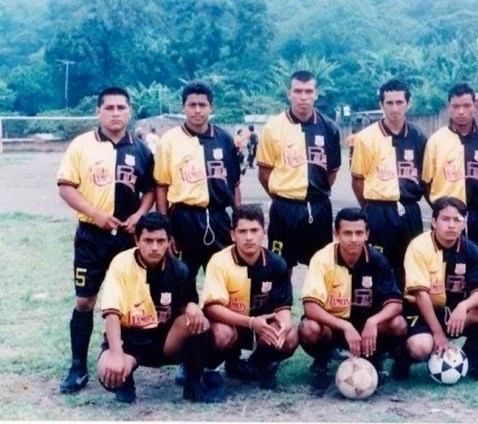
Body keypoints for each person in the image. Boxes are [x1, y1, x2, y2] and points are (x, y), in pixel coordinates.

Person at [56, 86, 155, 394]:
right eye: (109, 108)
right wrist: (96, 214)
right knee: (85, 301)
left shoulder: (140, 149)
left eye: (120, 108)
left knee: (127, 302)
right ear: (98, 111)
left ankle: (121, 363)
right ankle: (77, 367)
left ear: (129, 111)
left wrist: (138, 215)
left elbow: (150, 190)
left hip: (127, 239)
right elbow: (66, 187)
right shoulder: (81, 145)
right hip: (91, 236)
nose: (115, 113)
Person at [96, 212, 216, 403]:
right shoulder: (120, 264)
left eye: (160, 241)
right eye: (148, 240)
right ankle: (126, 383)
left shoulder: (179, 269)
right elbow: (111, 313)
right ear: (137, 240)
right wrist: (117, 355)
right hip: (130, 342)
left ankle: (193, 384)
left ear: (169, 242)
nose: (154, 247)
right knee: (108, 371)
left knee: (199, 323)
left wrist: (193, 307)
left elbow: (188, 303)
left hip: (164, 341)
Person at [298, 207, 406, 393]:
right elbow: (310, 307)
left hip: (366, 329)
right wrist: (345, 326)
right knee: (309, 328)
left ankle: (374, 359)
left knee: (398, 324)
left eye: (359, 233)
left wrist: (373, 321)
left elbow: (395, 303)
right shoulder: (322, 259)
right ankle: (322, 363)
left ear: (367, 234)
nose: (354, 239)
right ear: (336, 234)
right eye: (347, 233)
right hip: (334, 327)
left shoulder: (377, 260)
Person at [391, 196, 478, 381]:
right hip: (420, 310)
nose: (451, 225)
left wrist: (463, 307)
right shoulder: (419, 246)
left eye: (457, 220)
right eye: (445, 219)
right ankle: (402, 358)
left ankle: (470, 357)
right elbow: (420, 294)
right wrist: (438, 334)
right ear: (433, 222)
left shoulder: (471, 250)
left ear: (464, 224)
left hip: (453, 310)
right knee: (421, 346)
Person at [201, 204, 298, 395]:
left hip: (261, 324)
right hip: (231, 323)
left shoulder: (277, 263)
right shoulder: (219, 261)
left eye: (254, 230)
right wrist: (251, 322)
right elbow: (212, 308)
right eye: (242, 231)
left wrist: (285, 323)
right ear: (232, 235)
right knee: (222, 334)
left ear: (264, 232)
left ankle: (257, 364)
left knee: (290, 336)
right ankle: (210, 369)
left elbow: (282, 306)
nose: (249, 237)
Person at [154, 80, 240, 282]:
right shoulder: (169, 140)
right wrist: (166, 228)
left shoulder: (225, 139)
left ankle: (219, 314)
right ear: (183, 107)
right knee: (182, 279)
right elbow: (161, 186)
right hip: (184, 218)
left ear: (211, 107)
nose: (197, 110)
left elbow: (235, 184)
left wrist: (238, 219)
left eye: (203, 105)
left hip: (219, 218)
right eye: (192, 105)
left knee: (225, 278)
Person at [256, 70, 341, 276]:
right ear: (289, 94)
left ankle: (314, 308)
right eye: (298, 91)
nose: (303, 97)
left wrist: (314, 192)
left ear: (316, 93)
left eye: (308, 91)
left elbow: (331, 173)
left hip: (319, 207)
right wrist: (284, 196)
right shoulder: (273, 128)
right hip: (285, 209)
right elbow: (264, 172)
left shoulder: (329, 128)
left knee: (321, 268)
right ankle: (282, 308)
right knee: (281, 267)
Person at [351, 78, 427, 286]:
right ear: (381, 105)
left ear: (408, 104)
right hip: (378, 210)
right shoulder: (366, 137)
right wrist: (370, 209)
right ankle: (377, 311)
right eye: (389, 103)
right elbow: (358, 180)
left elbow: (425, 177)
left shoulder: (419, 137)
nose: (395, 108)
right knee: (377, 265)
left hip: (410, 211)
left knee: (410, 263)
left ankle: (406, 313)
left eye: (399, 102)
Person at [422, 83, 478, 269]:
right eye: (456, 106)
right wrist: (442, 208)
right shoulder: (436, 140)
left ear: (475, 106)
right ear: (448, 108)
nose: (461, 112)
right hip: (447, 215)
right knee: (444, 266)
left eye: (466, 106)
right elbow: (426, 182)